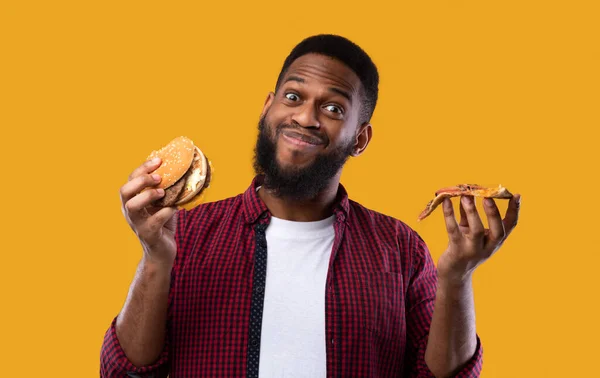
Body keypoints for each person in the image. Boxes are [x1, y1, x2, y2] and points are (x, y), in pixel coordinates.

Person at [100, 34, 521, 378]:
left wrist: (458, 277)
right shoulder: (187, 234)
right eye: (293, 96)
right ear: (268, 107)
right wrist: (156, 256)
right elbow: (125, 374)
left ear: (360, 139)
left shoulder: (400, 249)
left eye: (333, 107)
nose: (305, 117)